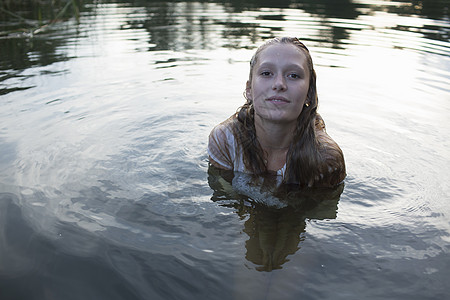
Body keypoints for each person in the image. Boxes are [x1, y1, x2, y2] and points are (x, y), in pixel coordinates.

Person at [208, 37, 346, 188]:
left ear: (309, 93)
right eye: (267, 73)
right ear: (249, 90)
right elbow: (225, 204)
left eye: (293, 75)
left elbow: (319, 211)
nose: (279, 84)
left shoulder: (326, 158)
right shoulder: (225, 140)